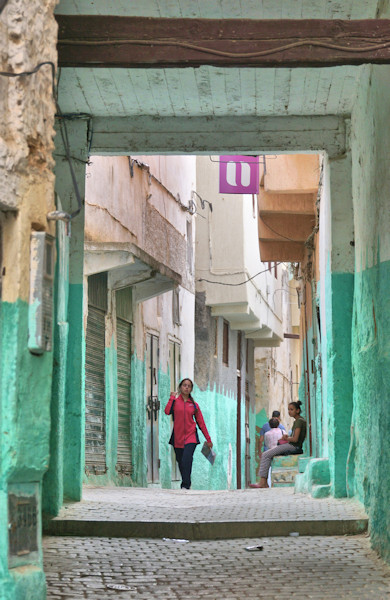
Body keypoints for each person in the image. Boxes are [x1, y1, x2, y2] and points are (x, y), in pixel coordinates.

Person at [165, 378, 213, 490]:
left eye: (189, 386)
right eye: (184, 385)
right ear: (180, 387)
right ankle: (187, 480)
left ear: (191, 389)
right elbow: (167, 411)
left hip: (191, 436)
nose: (186, 387)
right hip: (177, 436)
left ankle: (185, 485)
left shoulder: (194, 405)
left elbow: (201, 423)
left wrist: (208, 439)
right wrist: (172, 398)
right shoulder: (175, 402)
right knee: (180, 460)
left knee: (187, 458)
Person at [250, 401, 306, 489]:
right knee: (268, 455)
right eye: (288, 410)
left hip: (293, 446)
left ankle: (263, 482)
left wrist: (286, 438)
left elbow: (295, 439)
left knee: (266, 454)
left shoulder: (299, 421)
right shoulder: (298, 421)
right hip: (292, 445)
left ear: (298, 410)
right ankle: (264, 482)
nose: (289, 412)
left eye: (292, 409)